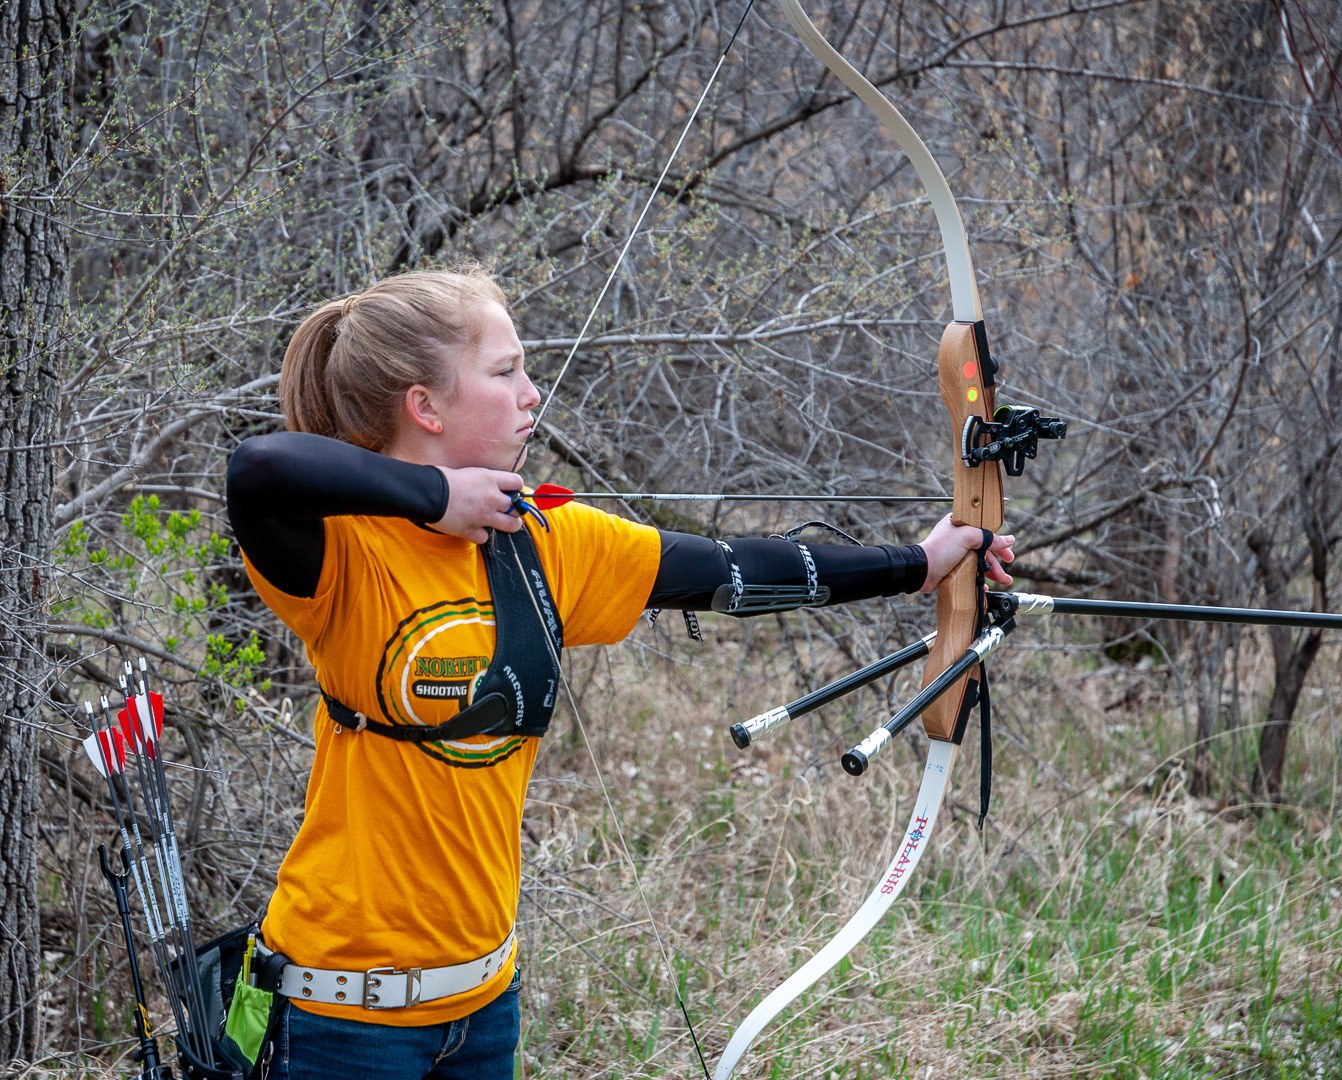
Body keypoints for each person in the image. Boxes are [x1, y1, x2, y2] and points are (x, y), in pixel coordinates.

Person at [225, 266, 1014, 1080]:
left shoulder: (544, 540)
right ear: (425, 406)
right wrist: (434, 497)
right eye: (505, 372)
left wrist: (917, 564)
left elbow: (733, 567)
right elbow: (258, 470)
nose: (532, 393)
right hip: (339, 1015)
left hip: (482, 1005)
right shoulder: (348, 552)